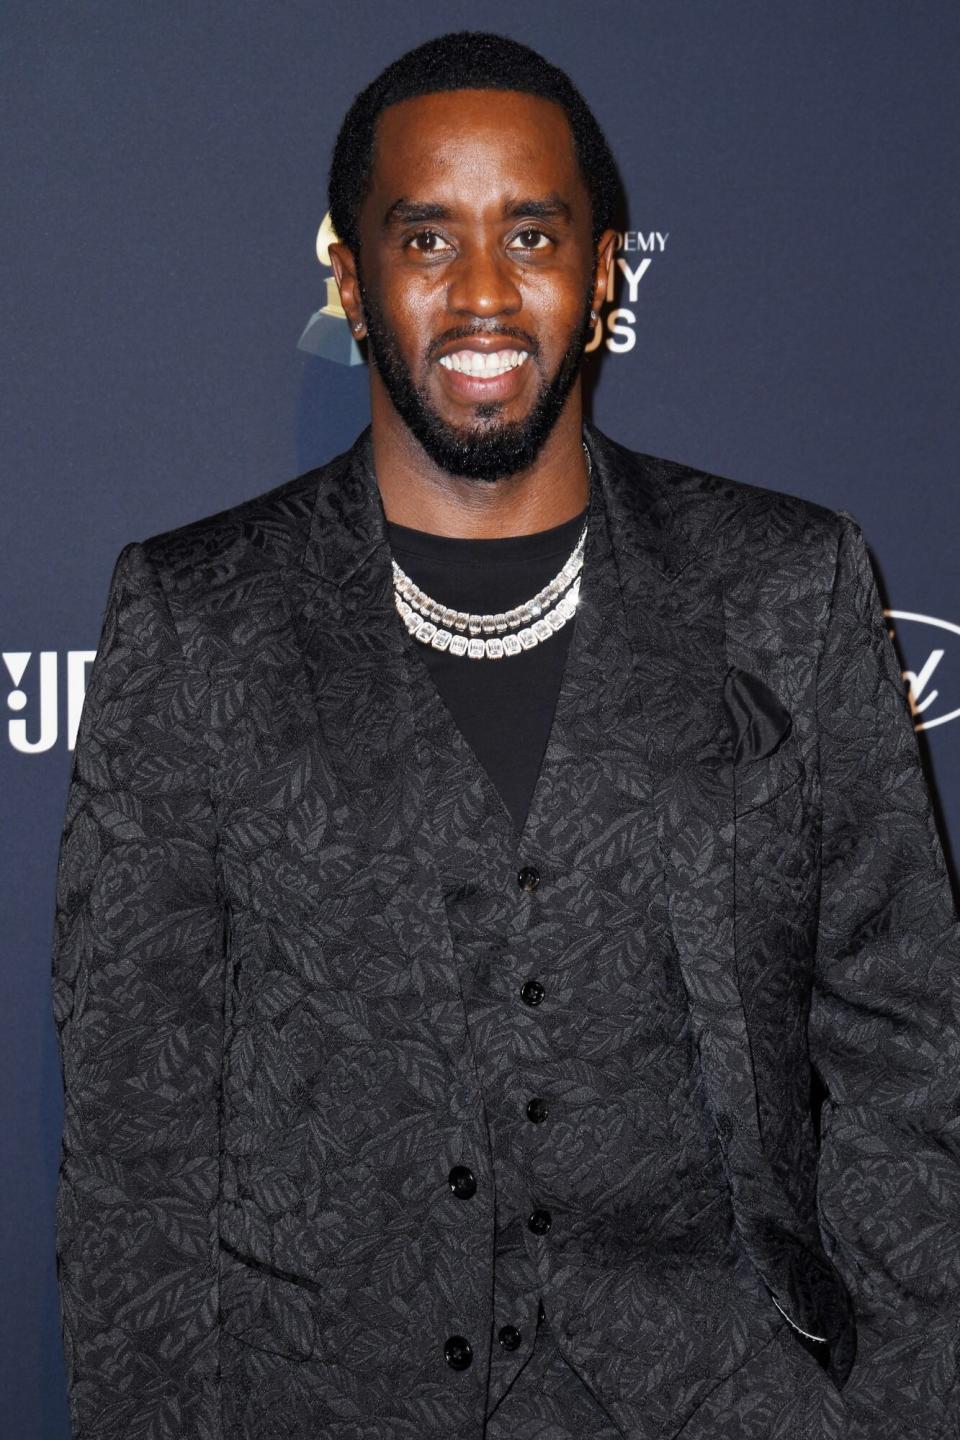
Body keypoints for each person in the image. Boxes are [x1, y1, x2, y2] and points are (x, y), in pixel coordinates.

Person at [51, 29, 960, 1440]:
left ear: (604, 272)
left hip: (726, 1400)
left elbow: (909, 1053)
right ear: (350, 282)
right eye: (427, 240)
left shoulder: (788, 582)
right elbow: (135, 1139)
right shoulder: (196, 615)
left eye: (531, 233)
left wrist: (900, 1409)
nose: (485, 291)